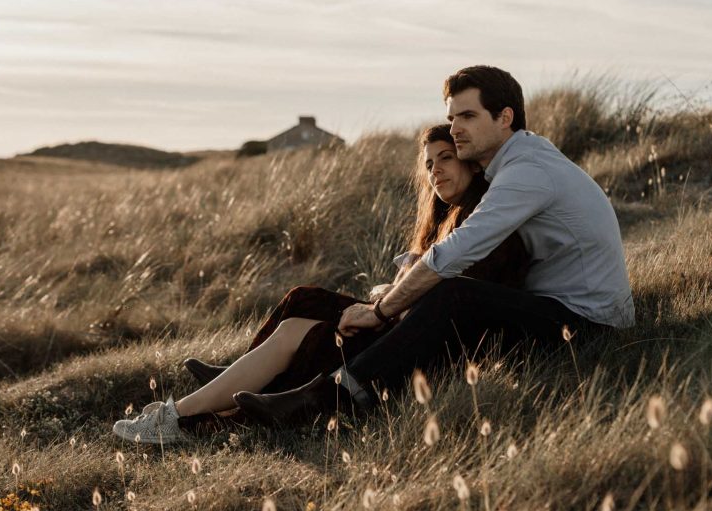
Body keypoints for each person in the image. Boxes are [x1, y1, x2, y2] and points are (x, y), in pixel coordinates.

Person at [233, 65, 635, 424]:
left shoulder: (526, 172)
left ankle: (330, 399)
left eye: (468, 116)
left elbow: (458, 250)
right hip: (559, 310)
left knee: (456, 294)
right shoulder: (521, 162)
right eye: (451, 117)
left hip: (588, 324)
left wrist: (381, 310)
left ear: (505, 117)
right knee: (435, 296)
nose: (456, 127)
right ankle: (271, 382)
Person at [112, 123, 529, 444]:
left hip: (422, 345)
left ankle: (182, 415)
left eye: (446, 159)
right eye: (429, 164)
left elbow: (456, 298)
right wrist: (388, 293)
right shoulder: (446, 217)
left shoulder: (483, 220)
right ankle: (236, 381)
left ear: (472, 163)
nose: (435, 170)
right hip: (399, 319)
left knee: (307, 335)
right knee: (303, 302)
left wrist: (385, 306)